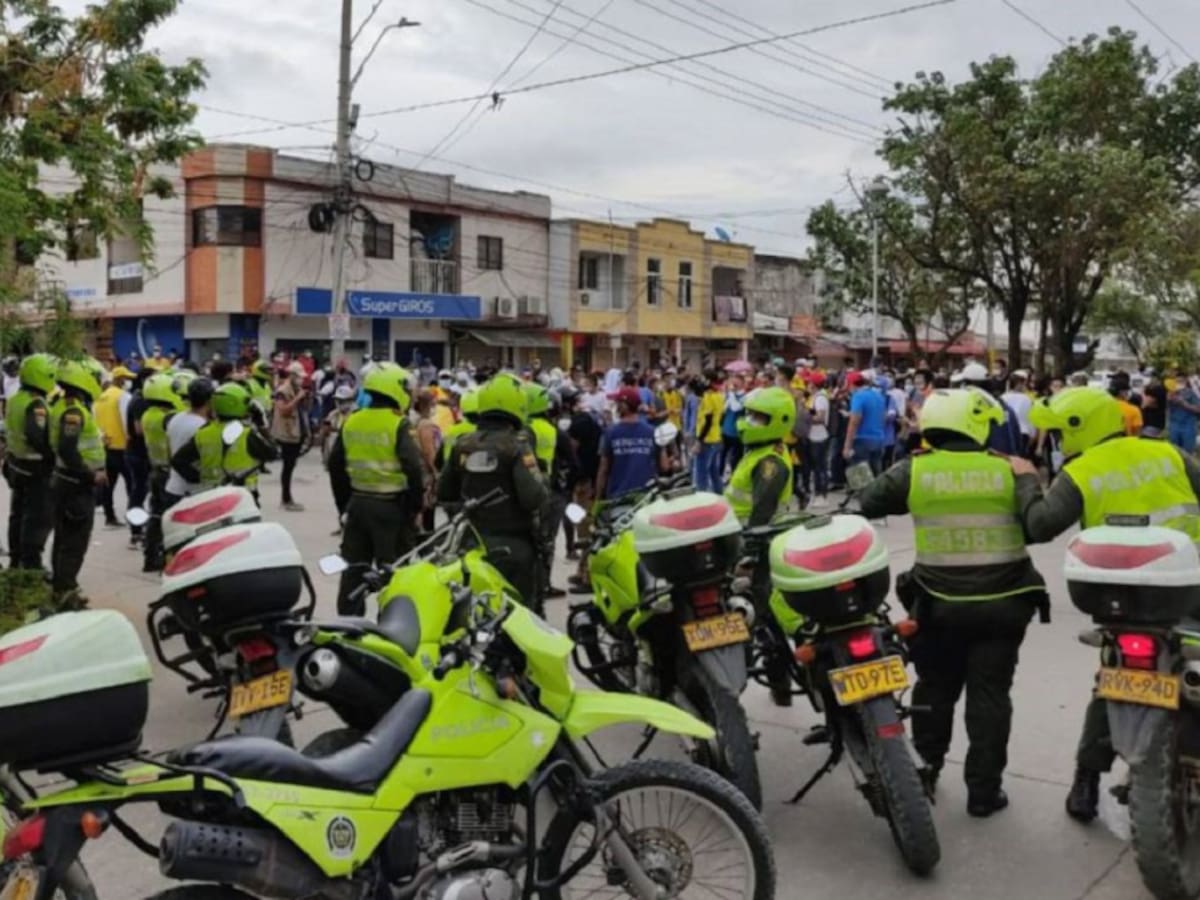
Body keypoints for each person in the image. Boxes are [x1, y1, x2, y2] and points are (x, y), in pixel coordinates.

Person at [858, 388, 1049, 818]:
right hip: (1003, 605)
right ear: (978, 424)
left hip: (937, 606)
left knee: (935, 689)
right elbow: (1037, 528)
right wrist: (1028, 479)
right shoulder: (1009, 470)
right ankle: (984, 793)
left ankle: (924, 775)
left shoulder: (915, 470)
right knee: (990, 697)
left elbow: (867, 502)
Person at [1015, 387, 1200, 823]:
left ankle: (1085, 783)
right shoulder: (1170, 454)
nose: (1058, 440)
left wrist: (1027, 480)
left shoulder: (1081, 471)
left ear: (1081, 429)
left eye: (1061, 432)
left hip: (1122, 597)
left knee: (1114, 678)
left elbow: (1039, 526)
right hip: (1186, 584)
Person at [437, 372, 547, 608]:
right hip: (514, 548)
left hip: (470, 544)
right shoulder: (517, 447)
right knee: (521, 613)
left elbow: (444, 492)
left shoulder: (462, 444)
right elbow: (533, 498)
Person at [330, 364, 425, 616]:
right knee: (394, 572)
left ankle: (349, 627)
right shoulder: (398, 424)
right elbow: (413, 469)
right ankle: (391, 626)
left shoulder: (351, 421)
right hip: (391, 509)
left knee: (353, 570)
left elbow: (335, 465)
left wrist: (344, 506)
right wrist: (415, 507)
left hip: (358, 506)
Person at [724, 386, 796, 706]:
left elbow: (761, 514)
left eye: (757, 417)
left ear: (777, 421)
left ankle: (774, 682)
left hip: (757, 548)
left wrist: (748, 558)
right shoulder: (758, 453)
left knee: (756, 615)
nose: (749, 421)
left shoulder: (770, 463)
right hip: (743, 542)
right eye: (749, 415)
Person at [48, 359, 107, 608]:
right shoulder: (74, 412)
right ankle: (67, 591)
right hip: (75, 483)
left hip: (65, 480)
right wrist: (90, 475)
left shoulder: (65, 405)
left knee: (64, 536)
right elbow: (68, 449)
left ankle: (61, 585)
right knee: (74, 540)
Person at [172, 382, 278, 503]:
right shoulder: (247, 434)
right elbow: (273, 453)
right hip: (242, 498)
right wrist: (261, 425)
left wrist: (198, 479)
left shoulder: (203, 433)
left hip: (210, 497)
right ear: (236, 404)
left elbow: (178, 461)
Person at [526, 383, 578, 606]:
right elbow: (575, 465)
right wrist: (568, 489)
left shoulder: (521, 431)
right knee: (547, 541)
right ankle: (544, 584)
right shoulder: (557, 433)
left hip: (525, 492)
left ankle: (529, 583)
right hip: (552, 493)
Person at [4, 354, 57, 570]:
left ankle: (16, 560)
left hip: (16, 464)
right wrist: (52, 455)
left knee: (17, 515)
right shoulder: (36, 404)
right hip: (36, 469)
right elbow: (38, 437)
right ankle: (32, 565)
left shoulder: (16, 398)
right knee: (37, 518)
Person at [596, 387, 670, 504]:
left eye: (617, 403)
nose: (615, 406)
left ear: (623, 406)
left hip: (618, 499)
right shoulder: (653, 432)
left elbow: (603, 469)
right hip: (647, 498)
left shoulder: (610, 433)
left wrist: (598, 499)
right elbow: (665, 466)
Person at [139, 373, 181, 572]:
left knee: (155, 515)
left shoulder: (148, 414)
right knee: (171, 518)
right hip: (169, 473)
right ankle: (168, 557)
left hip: (154, 469)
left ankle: (149, 557)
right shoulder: (168, 417)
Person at [94, 365, 133, 528]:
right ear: (120, 379)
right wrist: (130, 438)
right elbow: (126, 420)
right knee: (133, 485)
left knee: (108, 485)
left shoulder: (100, 398)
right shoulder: (123, 396)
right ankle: (134, 518)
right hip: (122, 446)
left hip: (106, 446)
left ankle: (110, 517)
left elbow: (95, 421)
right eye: (126, 379)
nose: (128, 382)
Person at [164, 378, 214, 505]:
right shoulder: (203, 427)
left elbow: (169, 451)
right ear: (210, 400)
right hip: (195, 492)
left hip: (172, 488)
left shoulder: (175, 419)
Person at [321, 384, 358, 534]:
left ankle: (351, 525)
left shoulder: (356, 415)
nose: (341, 404)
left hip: (350, 462)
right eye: (338, 400)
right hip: (334, 461)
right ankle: (341, 523)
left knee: (350, 495)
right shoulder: (333, 415)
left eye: (344, 401)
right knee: (338, 495)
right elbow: (324, 433)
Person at [271, 362, 308, 511]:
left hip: (296, 433)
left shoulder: (296, 389)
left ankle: (288, 498)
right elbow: (283, 410)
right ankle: (285, 499)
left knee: (291, 465)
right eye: (299, 377)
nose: (302, 380)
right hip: (287, 434)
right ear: (292, 376)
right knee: (288, 467)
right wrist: (298, 398)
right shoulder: (283, 391)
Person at [842, 371, 886, 475]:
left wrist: (847, 446)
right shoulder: (878, 396)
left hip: (862, 440)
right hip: (878, 439)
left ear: (852, 384)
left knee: (862, 478)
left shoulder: (858, 396)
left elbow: (854, 421)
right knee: (876, 475)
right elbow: (883, 417)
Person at [413, 390, 442, 533]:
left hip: (421, 472)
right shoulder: (426, 425)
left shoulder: (418, 422)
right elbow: (429, 451)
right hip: (426, 474)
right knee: (427, 511)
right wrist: (436, 471)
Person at [694, 374, 724, 492]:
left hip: (706, 440)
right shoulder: (719, 396)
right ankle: (719, 494)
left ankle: (701, 499)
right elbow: (720, 418)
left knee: (701, 473)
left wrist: (699, 441)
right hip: (716, 437)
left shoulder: (708, 397)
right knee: (713, 471)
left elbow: (708, 421)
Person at [1001, 372, 1035, 455]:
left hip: (1007, 433)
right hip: (1023, 432)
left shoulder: (1002, 398)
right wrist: (1033, 434)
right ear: (1019, 384)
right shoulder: (1027, 399)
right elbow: (1030, 418)